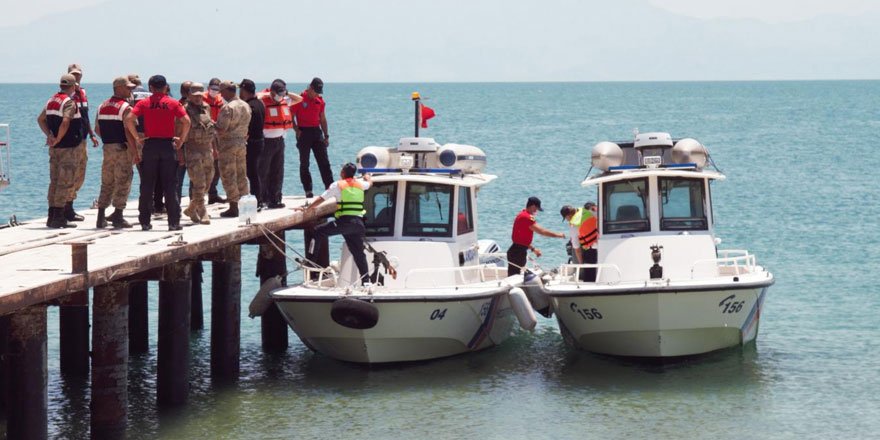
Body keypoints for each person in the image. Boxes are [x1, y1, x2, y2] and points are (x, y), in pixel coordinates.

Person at [124, 74, 191, 231]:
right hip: (168, 146)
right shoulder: (173, 103)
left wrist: (136, 137)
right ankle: (173, 222)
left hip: (150, 145)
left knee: (147, 185)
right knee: (170, 185)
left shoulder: (145, 103)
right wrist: (181, 140)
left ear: (151, 88)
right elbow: (186, 121)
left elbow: (129, 119)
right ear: (166, 87)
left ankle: (145, 222)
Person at [297, 163, 372, 285]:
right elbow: (370, 183)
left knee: (317, 231)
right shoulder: (361, 184)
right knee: (358, 253)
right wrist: (367, 176)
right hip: (358, 224)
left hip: (345, 222)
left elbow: (321, 199)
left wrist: (308, 209)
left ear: (343, 173)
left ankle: (310, 262)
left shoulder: (337, 185)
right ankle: (366, 281)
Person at [36, 74, 82, 228]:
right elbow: (66, 122)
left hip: (54, 149)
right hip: (67, 147)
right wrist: (58, 138)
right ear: (73, 86)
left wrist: (49, 135)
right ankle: (59, 217)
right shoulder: (69, 102)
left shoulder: (51, 100)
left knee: (54, 181)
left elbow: (40, 119)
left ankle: (51, 215)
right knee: (65, 181)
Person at [94, 76, 139, 229]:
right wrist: (135, 151)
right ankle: (118, 215)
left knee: (107, 181)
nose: (130, 90)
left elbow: (97, 129)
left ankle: (101, 216)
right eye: (128, 88)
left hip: (108, 148)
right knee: (124, 180)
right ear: (118, 88)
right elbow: (128, 131)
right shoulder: (125, 107)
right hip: (123, 148)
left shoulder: (102, 106)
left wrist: (109, 140)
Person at [258, 79, 302, 208]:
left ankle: (275, 199)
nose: (280, 97)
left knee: (278, 171)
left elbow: (299, 99)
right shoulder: (263, 101)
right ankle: (261, 199)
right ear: (272, 92)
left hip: (279, 141)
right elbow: (255, 97)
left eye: (282, 94)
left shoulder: (285, 100)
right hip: (266, 141)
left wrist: (285, 93)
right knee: (263, 172)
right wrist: (268, 94)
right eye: (278, 93)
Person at [66, 63, 99, 222]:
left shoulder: (83, 93)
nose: (76, 77)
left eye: (78, 74)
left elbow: (85, 115)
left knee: (80, 172)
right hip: (70, 140)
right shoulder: (66, 94)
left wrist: (92, 134)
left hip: (83, 138)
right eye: (73, 75)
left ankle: (70, 204)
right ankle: (66, 208)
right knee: (70, 173)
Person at [214, 80, 251, 217]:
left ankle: (234, 206)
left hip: (228, 144)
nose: (221, 95)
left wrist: (211, 124)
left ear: (227, 91)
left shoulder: (228, 108)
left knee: (228, 175)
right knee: (241, 174)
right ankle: (245, 203)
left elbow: (222, 129)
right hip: (241, 143)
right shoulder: (245, 105)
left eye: (222, 92)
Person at [181, 83, 216, 224]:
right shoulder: (184, 110)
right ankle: (202, 211)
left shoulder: (206, 107)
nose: (197, 98)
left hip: (207, 149)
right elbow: (179, 133)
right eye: (194, 96)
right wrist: (180, 153)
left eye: (200, 96)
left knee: (209, 180)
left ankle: (191, 208)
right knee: (199, 182)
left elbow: (210, 129)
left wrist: (215, 149)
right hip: (192, 150)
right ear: (189, 95)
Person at [291, 77, 333, 198]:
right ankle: (308, 190)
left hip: (316, 132)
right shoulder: (299, 99)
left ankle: (329, 188)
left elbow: (323, 119)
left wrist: (326, 135)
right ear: (310, 87)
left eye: (319, 92)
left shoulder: (320, 101)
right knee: (304, 163)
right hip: (303, 132)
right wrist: (296, 130)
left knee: (324, 161)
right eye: (315, 91)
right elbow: (291, 116)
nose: (317, 94)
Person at [507, 196, 565, 276]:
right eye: (536, 209)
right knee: (514, 277)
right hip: (518, 253)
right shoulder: (527, 217)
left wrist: (533, 249)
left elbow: (521, 239)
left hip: (516, 251)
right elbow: (542, 231)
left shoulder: (522, 214)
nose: (536, 211)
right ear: (533, 206)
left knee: (514, 275)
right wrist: (558, 235)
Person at [239, 79, 265, 208]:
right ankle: (258, 199)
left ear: (244, 91)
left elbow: (248, 127)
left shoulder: (249, 107)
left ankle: (257, 200)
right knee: (254, 172)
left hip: (252, 142)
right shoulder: (260, 104)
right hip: (260, 141)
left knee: (252, 173)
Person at [205, 78, 225, 205]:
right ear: (208, 87)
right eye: (213, 88)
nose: (214, 91)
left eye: (217, 89)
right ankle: (197, 197)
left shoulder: (221, 100)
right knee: (205, 167)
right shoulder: (201, 99)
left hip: (218, 135)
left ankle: (212, 194)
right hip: (206, 135)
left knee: (217, 167)